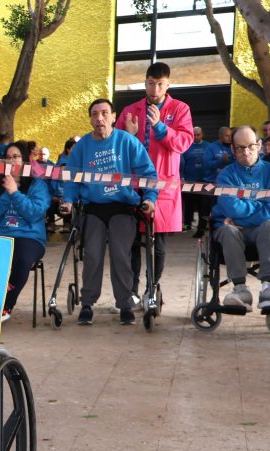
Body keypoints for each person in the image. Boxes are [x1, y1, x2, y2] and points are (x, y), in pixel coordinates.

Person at [60, 98, 157, 326]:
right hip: (93, 208)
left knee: (120, 255)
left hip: (122, 207)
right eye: (95, 114)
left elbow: (148, 173)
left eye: (104, 113)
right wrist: (68, 201)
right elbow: (71, 179)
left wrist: (150, 198)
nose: (99, 118)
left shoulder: (127, 141)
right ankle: (87, 304)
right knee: (92, 256)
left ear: (114, 117)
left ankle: (125, 304)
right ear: (90, 120)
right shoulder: (82, 146)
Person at [116, 61, 195, 308]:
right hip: (133, 185)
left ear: (168, 85)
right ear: (145, 83)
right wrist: (129, 136)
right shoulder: (131, 110)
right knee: (131, 242)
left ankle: (153, 288)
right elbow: (115, 146)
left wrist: (160, 127)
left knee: (157, 243)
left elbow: (184, 143)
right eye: (151, 83)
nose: (155, 89)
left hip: (163, 186)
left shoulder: (180, 109)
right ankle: (131, 291)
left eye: (160, 84)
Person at [210, 125, 270, 311]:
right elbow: (231, 207)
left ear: (259, 145)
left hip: (261, 231)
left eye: (250, 146)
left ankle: (269, 288)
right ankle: (240, 290)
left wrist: (240, 215)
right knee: (228, 230)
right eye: (240, 148)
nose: (246, 151)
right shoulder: (226, 176)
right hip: (233, 232)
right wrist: (260, 205)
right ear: (233, 149)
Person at [0, 140, 50, 320]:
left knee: (21, 257)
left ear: (25, 161)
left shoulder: (37, 185)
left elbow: (34, 213)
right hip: (0, 234)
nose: (11, 161)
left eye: (16, 157)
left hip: (29, 236)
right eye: (8, 157)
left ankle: (6, 305)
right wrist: (7, 193)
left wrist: (15, 193)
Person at [180, 126, 207, 231]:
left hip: (203, 181)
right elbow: (181, 163)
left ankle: (201, 227)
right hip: (189, 181)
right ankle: (187, 225)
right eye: (194, 135)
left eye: (198, 134)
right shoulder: (186, 146)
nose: (196, 137)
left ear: (202, 134)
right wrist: (182, 177)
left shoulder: (208, 146)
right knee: (188, 205)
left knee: (202, 206)